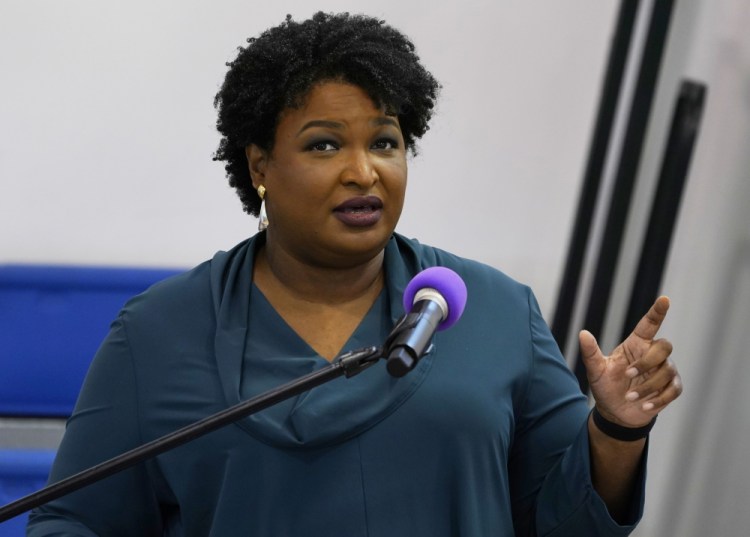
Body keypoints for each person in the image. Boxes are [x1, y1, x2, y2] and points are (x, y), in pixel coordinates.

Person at [26, 11, 682, 536]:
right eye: (324, 143)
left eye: (385, 142)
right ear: (259, 165)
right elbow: (73, 518)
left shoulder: (496, 309)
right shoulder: (159, 332)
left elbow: (569, 519)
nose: (364, 171)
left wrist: (618, 425)